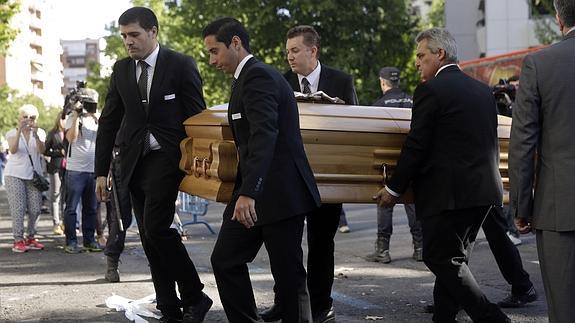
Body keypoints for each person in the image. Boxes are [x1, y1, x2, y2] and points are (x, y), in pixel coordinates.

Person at [374, 28, 510, 322]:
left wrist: (394, 189)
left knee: (441, 259)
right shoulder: (482, 90)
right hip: (484, 192)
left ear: (440, 54)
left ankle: (493, 318)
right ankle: (444, 318)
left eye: (421, 56)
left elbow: (416, 145)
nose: (417, 63)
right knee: (455, 260)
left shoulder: (431, 91)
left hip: (447, 195)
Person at [94, 7, 211, 323]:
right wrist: (100, 171)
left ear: (153, 32)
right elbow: (108, 122)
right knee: (148, 234)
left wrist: (198, 162)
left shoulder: (180, 64)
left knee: (158, 227)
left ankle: (195, 295)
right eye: (124, 36)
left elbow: (196, 116)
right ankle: (168, 305)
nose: (128, 42)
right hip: (132, 163)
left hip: (169, 158)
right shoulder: (120, 70)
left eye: (134, 35)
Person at [203, 17, 321, 322]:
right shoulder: (245, 80)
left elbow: (264, 135)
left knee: (288, 275)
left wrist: (248, 192)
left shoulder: (258, 77)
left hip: (279, 194)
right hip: (256, 193)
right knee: (226, 259)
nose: (212, 60)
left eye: (215, 51)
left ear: (236, 43)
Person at [259, 25, 356, 323]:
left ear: (313, 51)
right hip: (287, 176)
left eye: (295, 50)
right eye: (287, 51)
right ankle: (284, 302)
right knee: (284, 245)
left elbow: (353, 124)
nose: (289, 56)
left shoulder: (341, 80)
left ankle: (321, 304)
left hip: (327, 176)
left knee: (321, 242)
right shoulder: (280, 82)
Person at [509, 1, 575, 321]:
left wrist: (523, 205)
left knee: (564, 307)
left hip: (559, 207)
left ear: (559, 19)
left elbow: (523, 141)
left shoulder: (540, 63)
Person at [366, 66, 422, 264]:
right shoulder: (413, 101)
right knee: (412, 201)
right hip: (412, 161)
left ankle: (383, 250)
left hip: (385, 163)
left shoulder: (378, 105)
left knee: (385, 202)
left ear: (383, 82)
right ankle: (420, 246)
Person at [62, 88, 102, 254]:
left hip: (93, 169)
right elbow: (71, 139)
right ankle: (71, 242)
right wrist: (77, 115)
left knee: (91, 208)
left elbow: (105, 137)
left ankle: (89, 240)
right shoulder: (72, 117)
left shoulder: (97, 119)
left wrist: (94, 116)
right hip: (75, 170)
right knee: (71, 208)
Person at [4, 104, 46, 253]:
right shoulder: (11, 133)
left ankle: (31, 237)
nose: (28, 120)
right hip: (14, 174)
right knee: (18, 209)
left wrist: (35, 135)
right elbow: (13, 150)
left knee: (35, 209)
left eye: (32, 117)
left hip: (34, 176)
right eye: (25, 117)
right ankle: (18, 239)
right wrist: (19, 132)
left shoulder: (40, 132)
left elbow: (42, 150)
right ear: (19, 118)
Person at [103, 132, 133, 283]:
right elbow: (107, 131)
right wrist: (103, 173)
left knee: (152, 220)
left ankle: (159, 266)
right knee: (121, 219)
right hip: (122, 159)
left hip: (149, 159)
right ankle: (112, 265)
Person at [44, 112, 67, 236]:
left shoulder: (71, 132)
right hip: (56, 168)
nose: (65, 122)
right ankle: (56, 223)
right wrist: (59, 152)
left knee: (65, 196)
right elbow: (45, 151)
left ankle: (65, 222)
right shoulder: (53, 133)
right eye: (63, 119)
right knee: (55, 194)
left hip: (68, 168)